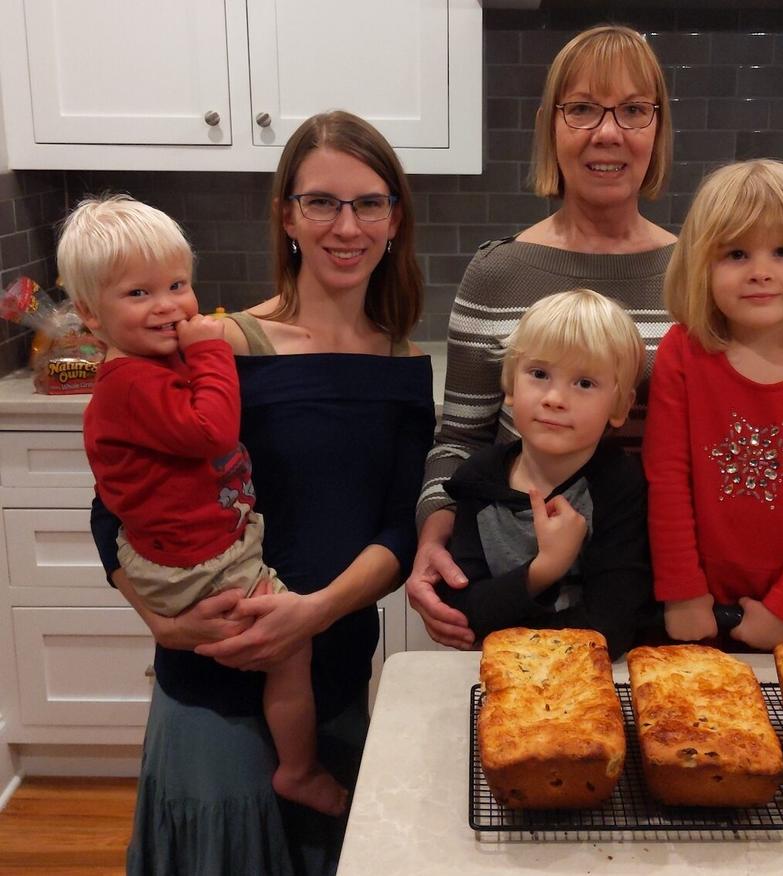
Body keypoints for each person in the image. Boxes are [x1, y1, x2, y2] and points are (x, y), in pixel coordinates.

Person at [88, 111, 435, 874]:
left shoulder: (404, 365)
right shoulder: (221, 346)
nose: (345, 226)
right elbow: (114, 501)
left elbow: (398, 532)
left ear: (393, 219)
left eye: (368, 202)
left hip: (334, 666)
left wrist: (310, 615)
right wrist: (161, 621)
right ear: (287, 215)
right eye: (321, 202)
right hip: (216, 671)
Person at [59, 195, 347, 818]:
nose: (168, 305)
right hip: (199, 564)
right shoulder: (132, 381)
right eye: (138, 294)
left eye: (177, 285)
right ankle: (298, 770)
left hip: (186, 548)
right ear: (89, 313)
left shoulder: (150, 368)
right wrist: (213, 351)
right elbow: (212, 432)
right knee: (289, 649)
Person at [409, 24, 676, 648]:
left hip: (656, 605)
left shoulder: (696, 276)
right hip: (511, 604)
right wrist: (433, 536)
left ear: (657, 130)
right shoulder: (497, 272)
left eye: (634, 110)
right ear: (549, 127)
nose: (607, 132)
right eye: (582, 109)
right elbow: (459, 438)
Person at [642, 159, 783, 652]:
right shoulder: (683, 353)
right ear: (701, 267)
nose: (761, 273)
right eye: (737, 254)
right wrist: (683, 592)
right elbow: (667, 481)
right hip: (697, 609)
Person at [435, 288, 654, 657]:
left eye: (584, 383)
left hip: (590, 684)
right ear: (509, 385)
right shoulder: (479, 478)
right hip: (498, 680)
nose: (554, 398)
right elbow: (463, 614)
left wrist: (505, 631)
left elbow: (611, 628)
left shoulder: (619, 485)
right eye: (539, 373)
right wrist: (545, 569)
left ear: (620, 406)